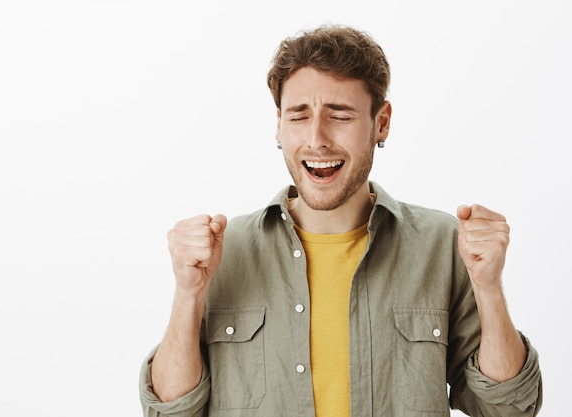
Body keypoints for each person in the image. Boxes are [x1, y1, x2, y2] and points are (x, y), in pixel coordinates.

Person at [139, 25, 542, 417]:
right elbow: (169, 412)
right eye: (298, 116)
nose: (317, 138)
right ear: (279, 124)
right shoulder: (223, 251)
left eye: (340, 115)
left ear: (381, 122)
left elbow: (505, 407)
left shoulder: (443, 246)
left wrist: (488, 287)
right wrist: (188, 294)